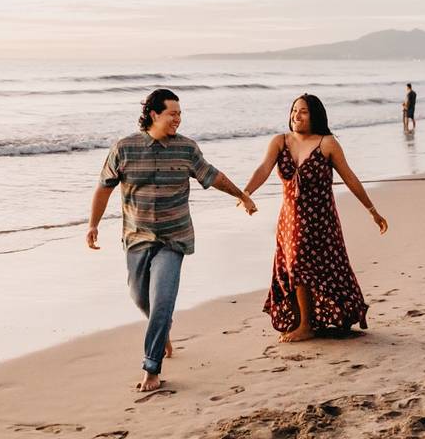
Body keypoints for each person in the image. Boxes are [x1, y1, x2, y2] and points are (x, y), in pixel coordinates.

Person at [86, 88, 257, 392]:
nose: (178, 119)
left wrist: (242, 195)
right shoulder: (124, 149)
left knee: (162, 299)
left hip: (173, 238)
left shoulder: (186, 149)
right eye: (172, 113)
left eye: (180, 113)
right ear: (154, 114)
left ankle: (152, 368)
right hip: (136, 238)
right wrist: (93, 225)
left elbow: (212, 175)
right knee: (140, 298)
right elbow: (103, 188)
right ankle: (161, 328)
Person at [240, 94, 388, 343]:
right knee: (294, 268)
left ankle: (307, 325)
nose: (297, 115)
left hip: (321, 219)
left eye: (304, 111)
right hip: (290, 219)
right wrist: (245, 193)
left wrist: (372, 210)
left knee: (315, 267)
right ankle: (303, 322)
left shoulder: (327, 143)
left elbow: (350, 177)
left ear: (315, 115)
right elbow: (263, 168)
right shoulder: (280, 141)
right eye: (294, 110)